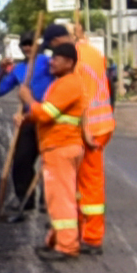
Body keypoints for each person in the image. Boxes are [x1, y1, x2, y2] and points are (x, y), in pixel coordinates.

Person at [19, 40, 92, 260]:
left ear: (69, 62)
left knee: (61, 198)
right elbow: (45, 114)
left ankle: (67, 246)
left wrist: (28, 100)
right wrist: (26, 117)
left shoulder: (68, 84)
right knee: (59, 198)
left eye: (56, 59)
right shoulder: (62, 83)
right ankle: (56, 239)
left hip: (60, 147)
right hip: (60, 146)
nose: (51, 62)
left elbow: (46, 114)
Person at [0, 29, 55, 221]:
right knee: (20, 161)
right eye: (24, 45)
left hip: (50, 118)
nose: (28, 47)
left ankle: (51, 201)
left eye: (31, 44)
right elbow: (1, 90)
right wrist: (1, 71)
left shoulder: (47, 62)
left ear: (38, 45)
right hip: (29, 119)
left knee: (52, 163)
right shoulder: (19, 69)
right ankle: (25, 200)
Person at [72, 27, 117, 254]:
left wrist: (85, 131)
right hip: (104, 123)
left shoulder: (75, 60)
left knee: (89, 183)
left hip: (91, 129)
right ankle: (82, 230)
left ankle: (91, 236)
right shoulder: (95, 54)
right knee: (84, 182)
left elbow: (82, 98)